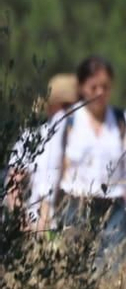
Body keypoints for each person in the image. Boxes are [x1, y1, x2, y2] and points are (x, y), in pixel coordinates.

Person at [38, 55, 126, 267]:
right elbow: (50, 169)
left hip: (113, 209)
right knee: (73, 269)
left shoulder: (122, 121)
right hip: (74, 206)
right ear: (81, 87)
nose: (99, 93)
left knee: (109, 268)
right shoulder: (67, 121)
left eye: (105, 87)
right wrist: (46, 209)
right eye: (93, 87)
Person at [8, 73, 77, 225]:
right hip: (35, 224)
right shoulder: (31, 137)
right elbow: (14, 184)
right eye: (65, 106)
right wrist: (22, 223)